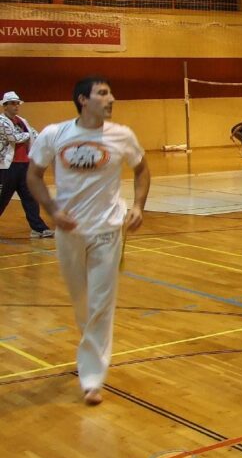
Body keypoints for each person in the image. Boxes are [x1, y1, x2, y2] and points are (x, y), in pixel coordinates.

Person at [26, 76, 151, 405]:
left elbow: (141, 169)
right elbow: (33, 175)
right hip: (69, 233)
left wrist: (138, 206)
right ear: (83, 99)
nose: (111, 99)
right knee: (82, 302)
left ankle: (92, 378)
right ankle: (90, 351)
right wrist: (52, 209)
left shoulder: (122, 135)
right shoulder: (55, 134)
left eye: (110, 93)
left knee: (101, 304)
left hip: (108, 230)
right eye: (103, 93)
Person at [0, 91, 53, 238]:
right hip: (8, 167)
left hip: (24, 165)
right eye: (13, 103)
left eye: (17, 103)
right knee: (2, 198)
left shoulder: (22, 120)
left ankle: (38, 228)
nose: (16, 106)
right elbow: (14, 138)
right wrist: (28, 135)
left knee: (30, 197)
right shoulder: (1, 122)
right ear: (5, 106)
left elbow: (35, 134)